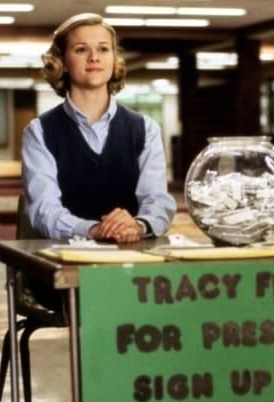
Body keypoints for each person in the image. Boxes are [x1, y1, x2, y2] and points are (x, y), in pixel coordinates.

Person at [22, 12, 176, 243]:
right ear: (62, 62)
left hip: (133, 254)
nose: (94, 58)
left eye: (103, 49)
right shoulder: (39, 131)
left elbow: (157, 201)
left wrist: (138, 225)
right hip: (64, 255)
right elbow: (44, 211)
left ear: (113, 60)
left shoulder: (146, 129)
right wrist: (97, 230)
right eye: (81, 49)